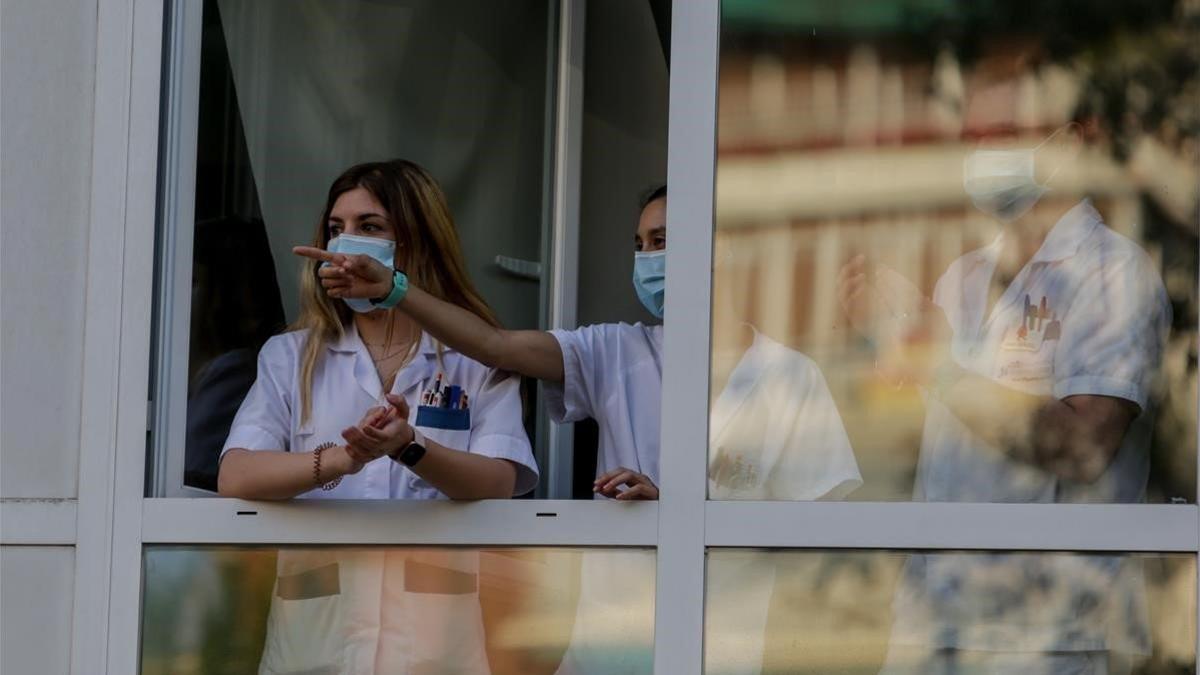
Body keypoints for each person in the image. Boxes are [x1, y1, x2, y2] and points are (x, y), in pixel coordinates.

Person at [298, 184, 862, 673]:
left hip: (730, 642)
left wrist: (688, 508)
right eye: (641, 245)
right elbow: (495, 347)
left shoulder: (790, 375)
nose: (647, 260)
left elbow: (822, 538)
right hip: (611, 641)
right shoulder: (616, 349)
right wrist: (393, 289)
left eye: (663, 242)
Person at [839, 124, 1170, 673]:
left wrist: (926, 357)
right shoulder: (965, 278)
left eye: (1005, 127)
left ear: (1068, 141)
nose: (981, 144)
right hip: (936, 625)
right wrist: (898, 340)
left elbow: (1082, 446)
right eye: (976, 128)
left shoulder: (1114, 273)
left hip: (1052, 635)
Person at [218, 159, 538, 674]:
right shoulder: (292, 356)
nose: (346, 244)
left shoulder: (475, 358)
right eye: (335, 228)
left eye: (369, 228)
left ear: (416, 242)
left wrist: (409, 447)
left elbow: (500, 479)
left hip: (434, 648)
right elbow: (236, 474)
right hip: (316, 644)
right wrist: (345, 459)